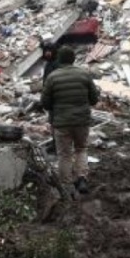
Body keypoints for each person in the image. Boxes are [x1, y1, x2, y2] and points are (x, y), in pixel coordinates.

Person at [40, 47, 100, 194]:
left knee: (64, 154)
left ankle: (67, 186)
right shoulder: (84, 74)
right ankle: (81, 179)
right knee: (81, 149)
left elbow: (45, 103)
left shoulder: (53, 77)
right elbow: (94, 99)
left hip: (62, 122)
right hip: (82, 121)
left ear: (59, 59)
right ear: (73, 59)